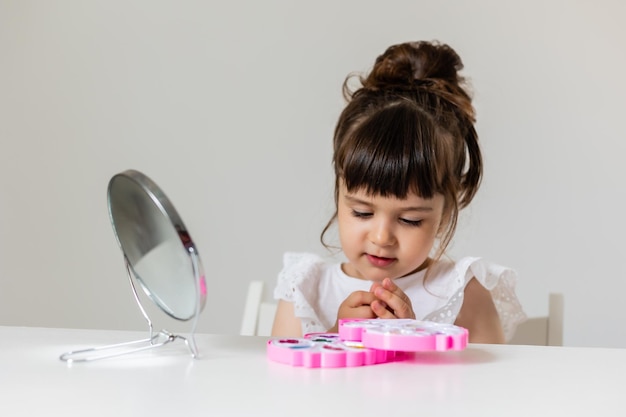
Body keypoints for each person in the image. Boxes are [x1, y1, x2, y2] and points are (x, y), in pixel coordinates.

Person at [271, 40, 526, 343]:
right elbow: (282, 383)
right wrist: (336, 336)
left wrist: (414, 338)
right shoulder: (306, 286)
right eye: (362, 212)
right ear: (339, 192)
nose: (381, 238)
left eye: (409, 220)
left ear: (445, 212)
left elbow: (486, 387)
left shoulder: (462, 290)